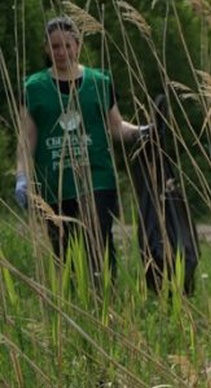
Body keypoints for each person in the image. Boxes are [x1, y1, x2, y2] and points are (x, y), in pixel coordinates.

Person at [15, 16, 147, 282]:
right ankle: (74, 307)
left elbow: (116, 126)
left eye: (67, 45)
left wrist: (142, 133)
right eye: (55, 47)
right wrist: (22, 177)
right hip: (55, 184)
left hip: (96, 179)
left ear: (77, 44)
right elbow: (26, 139)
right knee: (64, 254)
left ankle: (105, 305)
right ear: (46, 49)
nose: (61, 52)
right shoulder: (34, 88)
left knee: (99, 244)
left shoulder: (99, 82)